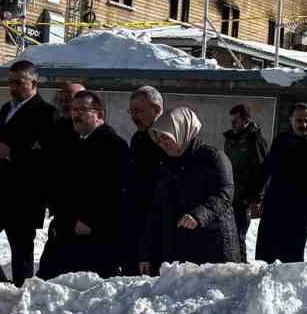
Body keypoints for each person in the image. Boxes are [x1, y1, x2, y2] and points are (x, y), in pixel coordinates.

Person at [0, 60, 56, 286]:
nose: (14, 87)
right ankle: (0, 284)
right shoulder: (6, 109)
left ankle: (20, 296)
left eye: (19, 82)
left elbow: (47, 155)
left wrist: (13, 153)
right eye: (11, 82)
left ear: (34, 83)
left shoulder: (46, 112)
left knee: (21, 254)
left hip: (25, 196)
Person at [37, 91, 129, 278]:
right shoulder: (77, 141)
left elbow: (112, 191)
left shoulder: (112, 145)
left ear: (99, 115)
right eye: (73, 110)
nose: (75, 115)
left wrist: (91, 221)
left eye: (82, 110)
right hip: (68, 226)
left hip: (92, 233)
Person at [141, 106, 240, 271]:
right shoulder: (166, 165)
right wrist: (146, 253)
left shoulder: (213, 157)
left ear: (181, 130)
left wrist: (198, 215)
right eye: (159, 140)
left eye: (167, 137)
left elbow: (224, 195)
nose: (164, 144)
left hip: (214, 248)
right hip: (179, 251)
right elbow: (156, 210)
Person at [254, 102, 307, 263]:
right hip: (275, 202)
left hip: (300, 206)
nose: (303, 124)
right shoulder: (281, 141)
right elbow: (266, 169)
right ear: (291, 120)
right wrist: (255, 196)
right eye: (299, 120)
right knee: (266, 248)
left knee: (292, 252)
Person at [121, 86, 165, 274]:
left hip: (157, 218)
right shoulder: (138, 137)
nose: (134, 116)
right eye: (132, 111)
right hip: (135, 215)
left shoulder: (165, 138)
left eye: (139, 111)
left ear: (157, 110)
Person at [224, 103, 269, 261]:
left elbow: (261, 171)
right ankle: (233, 264)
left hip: (245, 198)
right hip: (230, 196)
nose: (233, 124)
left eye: (235, 121)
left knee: (238, 236)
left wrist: (256, 199)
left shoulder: (255, 139)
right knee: (229, 234)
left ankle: (241, 267)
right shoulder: (230, 139)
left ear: (245, 120)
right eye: (232, 121)